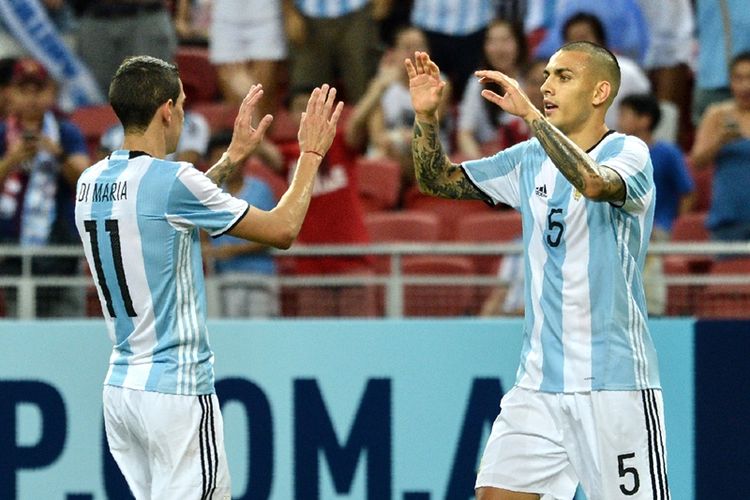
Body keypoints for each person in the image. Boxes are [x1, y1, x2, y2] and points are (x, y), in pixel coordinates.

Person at [405, 42, 669, 499]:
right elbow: (437, 180)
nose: (546, 85)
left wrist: (532, 117)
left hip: (614, 386)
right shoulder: (529, 158)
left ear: (600, 91)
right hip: (538, 386)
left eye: (563, 77)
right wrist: (427, 117)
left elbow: (592, 182)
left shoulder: (630, 154)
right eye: (546, 75)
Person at [74, 55, 342, 498]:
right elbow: (282, 229)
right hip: (175, 391)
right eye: (180, 104)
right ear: (166, 111)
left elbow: (166, 209)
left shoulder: (90, 182)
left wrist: (233, 158)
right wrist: (310, 155)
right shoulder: (174, 179)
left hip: (122, 390)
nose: (183, 113)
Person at [0, 58, 89, 317]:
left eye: (37, 90)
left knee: (69, 335)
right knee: (24, 337)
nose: (31, 98)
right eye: (23, 90)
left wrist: (58, 155)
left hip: (60, 251)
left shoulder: (66, 132)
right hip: (15, 256)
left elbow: (85, 182)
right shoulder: (2, 134)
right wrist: (12, 160)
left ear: (51, 94)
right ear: (9, 93)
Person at [619, 92, 695, 316]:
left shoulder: (668, 153)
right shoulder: (618, 154)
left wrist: (674, 227)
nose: (619, 120)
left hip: (659, 231)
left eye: (625, 114)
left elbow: (687, 193)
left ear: (645, 120)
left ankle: (652, 310)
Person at [202, 130, 280, 318]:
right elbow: (203, 236)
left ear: (243, 159)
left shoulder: (261, 190)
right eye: (219, 159)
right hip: (222, 280)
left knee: (261, 335)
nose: (227, 165)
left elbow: (272, 236)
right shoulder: (209, 194)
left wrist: (233, 251)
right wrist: (207, 251)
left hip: (258, 277)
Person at [690, 51, 750, 243]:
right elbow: (697, 162)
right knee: (725, 272)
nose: (745, 86)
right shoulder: (716, 115)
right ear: (730, 81)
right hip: (728, 218)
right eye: (738, 78)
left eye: (749, 78)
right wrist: (720, 140)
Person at [457, 18, 529, 160]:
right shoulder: (477, 82)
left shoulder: (531, 80)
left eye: (505, 40)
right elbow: (464, 134)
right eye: (492, 41)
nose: (499, 48)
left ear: (519, 44)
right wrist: (483, 167)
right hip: (489, 159)